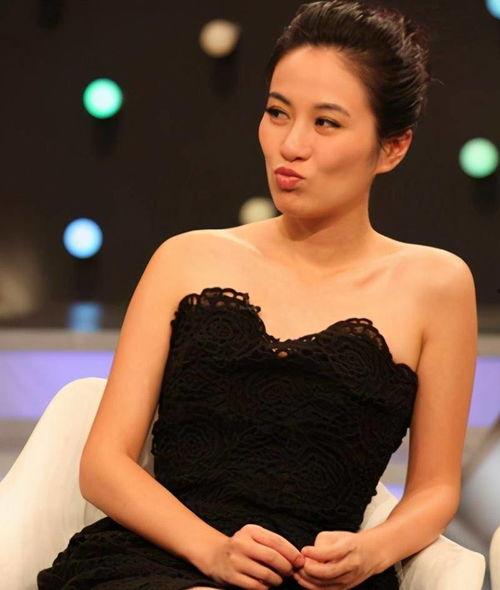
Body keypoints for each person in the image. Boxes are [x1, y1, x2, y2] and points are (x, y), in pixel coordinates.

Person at [37, 1, 477, 589]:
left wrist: (372, 552)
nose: (290, 145)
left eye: (326, 123)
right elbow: (104, 465)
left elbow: (436, 488)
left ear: (392, 147)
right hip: (158, 559)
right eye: (277, 112)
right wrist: (213, 551)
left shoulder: (437, 285)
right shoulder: (185, 259)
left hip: (317, 577)